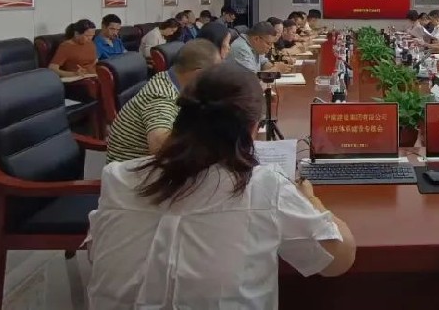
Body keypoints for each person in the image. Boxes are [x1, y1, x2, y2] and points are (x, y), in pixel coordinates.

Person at [88, 63, 357, 309]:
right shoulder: (262, 187)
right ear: (252, 128)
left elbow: (96, 254)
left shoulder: (118, 177)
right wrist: (310, 200)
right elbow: (338, 260)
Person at [106, 39, 223, 162]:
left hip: (147, 164)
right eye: (214, 74)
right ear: (198, 74)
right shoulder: (161, 96)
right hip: (132, 169)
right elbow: (160, 148)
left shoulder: (171, 80)